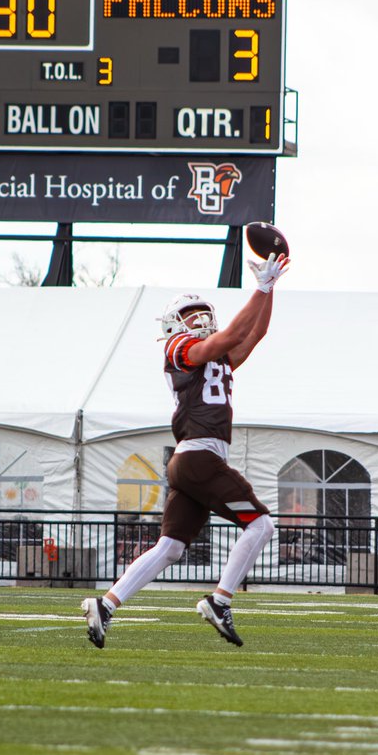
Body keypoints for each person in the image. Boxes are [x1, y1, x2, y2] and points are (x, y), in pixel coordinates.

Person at [81, 249, 290, 648]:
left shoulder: (218, 355)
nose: (199, 317)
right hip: (200, 457)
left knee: (171, 547)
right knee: (261, 525)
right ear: (175, 323)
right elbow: (228, 337)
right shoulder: (179, 349)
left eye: (201, 311)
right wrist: (259, 288)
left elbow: (253, 335)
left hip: (192, 461)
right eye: (190, 313)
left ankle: (105, 605)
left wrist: (269, 289)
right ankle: (220, 599)